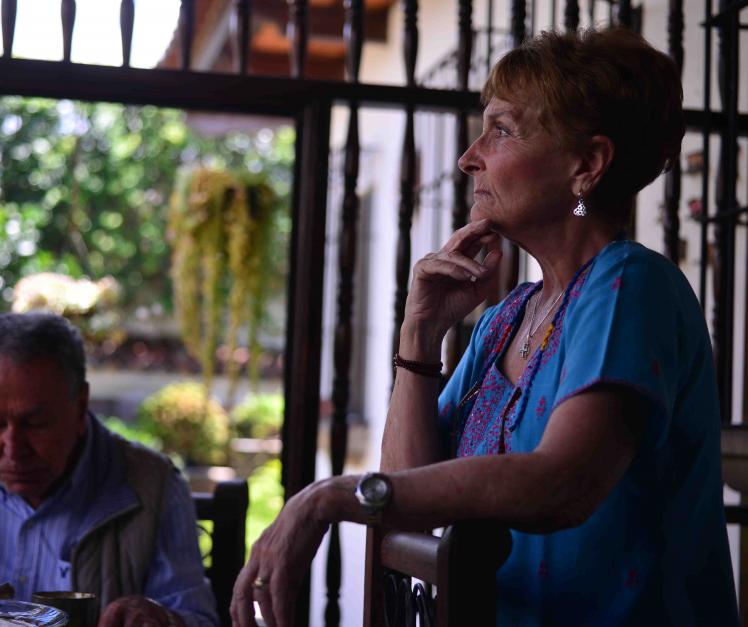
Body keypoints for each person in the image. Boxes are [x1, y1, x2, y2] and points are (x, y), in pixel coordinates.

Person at [230, 27, 739, 626]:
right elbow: (407, 498)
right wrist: (418, 339)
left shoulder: (631, 284)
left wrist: (331, 496)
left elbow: (562, 481)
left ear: (588, 165)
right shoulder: (505, 320)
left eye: (501, 130)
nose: (469, 156)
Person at [0, 312, 218, 627]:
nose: (13, 449)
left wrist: (163, 618)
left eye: (35, 424)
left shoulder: (152, 486)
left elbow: (196, 617)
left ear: (80, 406)